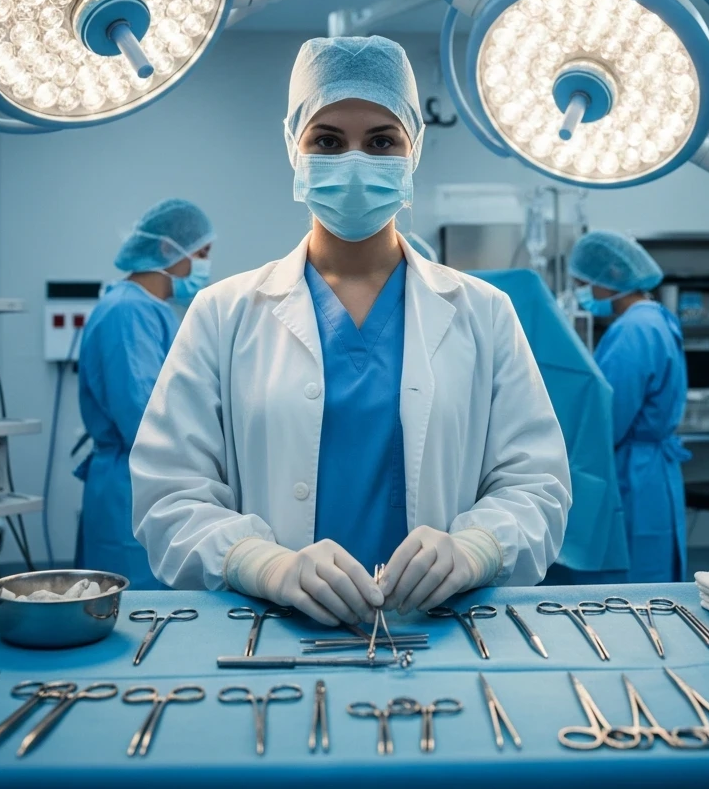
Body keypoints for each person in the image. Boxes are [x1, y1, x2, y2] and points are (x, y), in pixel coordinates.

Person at [130, 36, 570, 626]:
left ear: (413, 152)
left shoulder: (483, 312)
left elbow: (536, 482)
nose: (356, 161)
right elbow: (170, 492)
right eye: (328, 141)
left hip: (439, 627)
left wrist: (478, 547)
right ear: (295, 148)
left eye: (382, 141)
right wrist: (259, 564)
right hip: (274, 628)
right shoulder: (223, 313)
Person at [76, 198, 214, 589]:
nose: (205, 265)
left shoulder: (151, 310)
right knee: (133, 607)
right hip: (132, 482)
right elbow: (142, 417)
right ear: (170, 251)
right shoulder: (127, 312)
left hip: (144, 477)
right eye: (202, 253)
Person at [570, 230, 690, 582]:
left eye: (585, 283)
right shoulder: (657, 318)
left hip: (635, 471)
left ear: (612, 280)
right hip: (653, 469)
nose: (583, 292)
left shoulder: (632, 331)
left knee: (635, 586)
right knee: (654, 573)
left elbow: (611, 419)